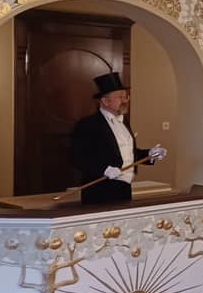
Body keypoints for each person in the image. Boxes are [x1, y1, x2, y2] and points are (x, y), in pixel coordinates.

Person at [71, 72, 167, 205]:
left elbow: (125, 153)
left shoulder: (124, 121)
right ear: (105, 101)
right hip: (99, 190)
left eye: (126, 96)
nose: (125, 100)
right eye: (120, 97)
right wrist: (104, 170)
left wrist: (149, 154)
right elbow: (77, 157)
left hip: (124, 187)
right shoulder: (88, 124)